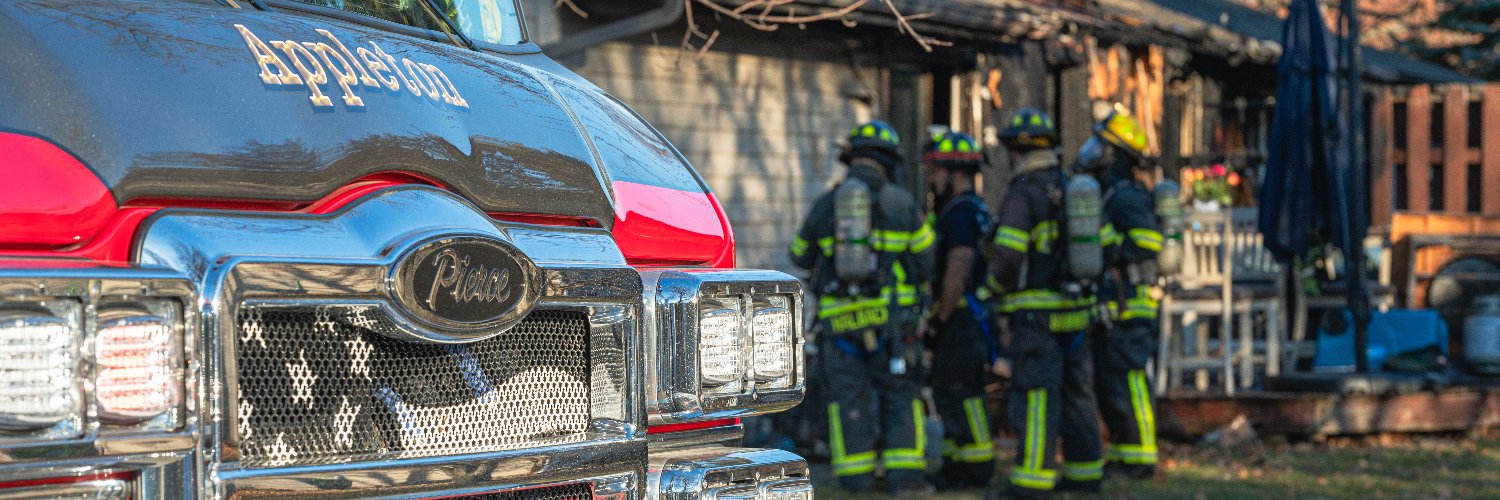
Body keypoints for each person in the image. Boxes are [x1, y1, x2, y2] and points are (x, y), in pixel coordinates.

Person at [790, 120, 935, 494]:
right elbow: (927, 262)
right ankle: (905, 480)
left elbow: (799, 255)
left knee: (846, 400)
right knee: (900, 395)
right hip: (893, 323)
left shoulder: (826, 204)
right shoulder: (902, 203)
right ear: (889, 160)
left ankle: (856, 479)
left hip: (840, 327)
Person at [988, 108, 1105, 497]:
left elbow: (1008, 256)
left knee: (1037, 394)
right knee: (1078, 392)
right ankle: (1086, 473)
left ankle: (1033, 481)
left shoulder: (1023, 193)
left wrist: (991, 289)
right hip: (1075, 312)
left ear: (1016, 153)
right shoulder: (1072, 186)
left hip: (1037, 315)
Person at [1075, 106, 1162, 479]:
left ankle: (1141, 458)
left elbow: (1149, 242)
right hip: (1114, 304)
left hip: (1132, 305)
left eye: (1102, 146)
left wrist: (1112, 247)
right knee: (1111, 384)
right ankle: (1127, 454)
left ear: (1117, 156)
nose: (1094, 152)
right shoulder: (1109, 192)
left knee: (1130, 380)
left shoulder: (1126, 196)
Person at [922, 130, 996, 489]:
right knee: (949, 392)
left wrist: (940, 319)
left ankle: (978, 465)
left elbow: (958, 267)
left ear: (956, 173)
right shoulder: (973, 209)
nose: (932, 180)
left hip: (961, 319)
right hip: (969, 317)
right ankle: (955, 463)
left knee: (963, 393)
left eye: (937, 172)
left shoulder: (960, 213)